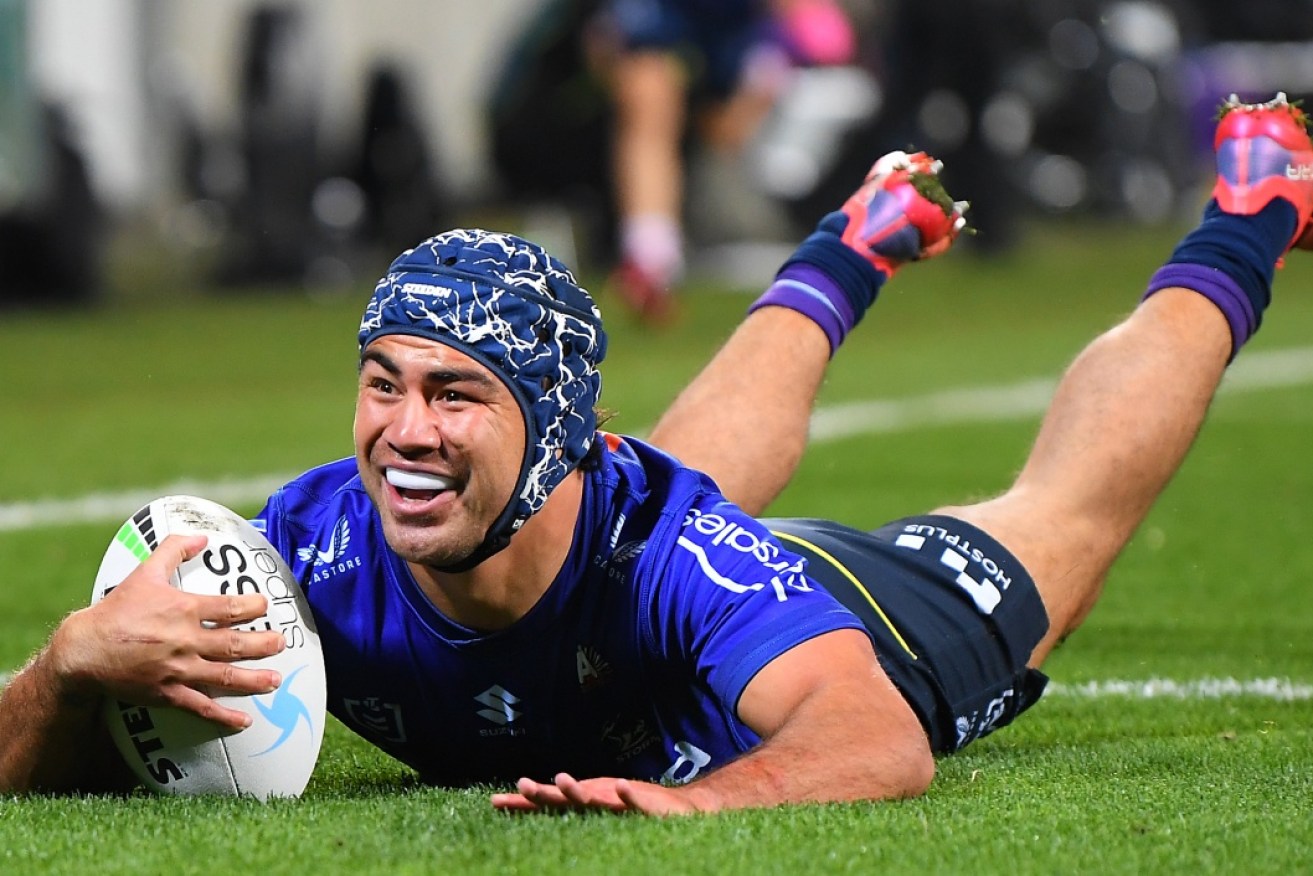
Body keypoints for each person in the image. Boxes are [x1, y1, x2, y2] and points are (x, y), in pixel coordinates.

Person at [1, 93, 1309, 814]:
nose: (402, 431)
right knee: (620, 502)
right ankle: (859, 238)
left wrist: (698, 806)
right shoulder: (304, 548)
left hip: (858, 613)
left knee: (1061, 517)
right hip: (608, 545)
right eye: (382, 384)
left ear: (567, 434)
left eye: (456, 393)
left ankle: (1254, 211)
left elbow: (873, 740)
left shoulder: (678, 551)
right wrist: (68, 669)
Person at [594, 0, 856, 322]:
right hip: (663, 16)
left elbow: (827, 38)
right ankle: (650, 260)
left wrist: (782, 50)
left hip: (738, 29)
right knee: (649, 93)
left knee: (727, 126)